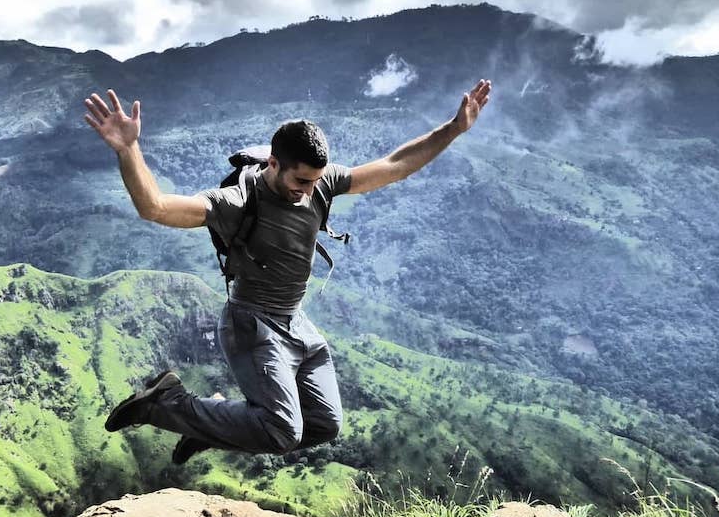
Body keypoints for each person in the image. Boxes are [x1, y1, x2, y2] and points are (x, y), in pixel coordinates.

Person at [83, 79, 492, 464]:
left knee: (325, 424)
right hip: (253, 324)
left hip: (296, 323)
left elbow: (396, 165)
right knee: (282, 431)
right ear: (274, 163)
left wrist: (454, 129)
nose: (309, 190)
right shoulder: (238, 202)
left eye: (315, 181)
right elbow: (154, 207)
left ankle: (214, 426)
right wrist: (127, 149)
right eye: (300, 180)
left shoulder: (320, 183)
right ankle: (165, 404)